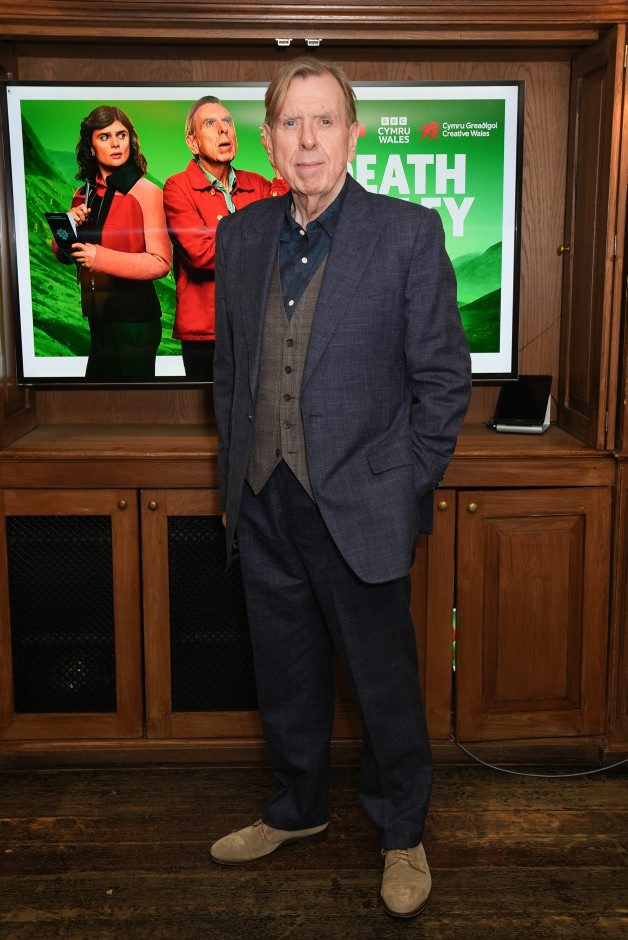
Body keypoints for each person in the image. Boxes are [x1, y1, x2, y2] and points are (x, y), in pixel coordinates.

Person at [211, 58, 471, 919]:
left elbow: (444, 385)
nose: (308, 140)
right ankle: (299, 807)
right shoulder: (241, 236)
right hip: (263, 498)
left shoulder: (407, 233)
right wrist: (236, 480)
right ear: (268, 140)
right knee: (285, 673)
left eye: (325, 121)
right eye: (291, 123)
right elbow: (231, 375)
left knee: (382, 682)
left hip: (362, 505)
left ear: (354, 136)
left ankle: (403, 832)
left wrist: (401, 485)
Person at [163, 96, 288, 381]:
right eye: (210, 123)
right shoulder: (177, 187)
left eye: (227, 121)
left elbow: (287, 241)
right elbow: (200, 255)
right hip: (205, 333)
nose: (223, 129)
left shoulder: (258, 184)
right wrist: (261, 244)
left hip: (256, 328)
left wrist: (280, 174)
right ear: (192, 143)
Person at [52, 105, 172, 380]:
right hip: (97, 321)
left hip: (135, 323)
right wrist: (69, 225)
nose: (116, 143)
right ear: (91, 147)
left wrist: (100, 257)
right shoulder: (82, 193)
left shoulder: (148, 192)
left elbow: (161, 262)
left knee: (133, 403)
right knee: (99, 401)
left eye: (121, 135)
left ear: (131, 140)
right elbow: (64, 256)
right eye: (104, 137)